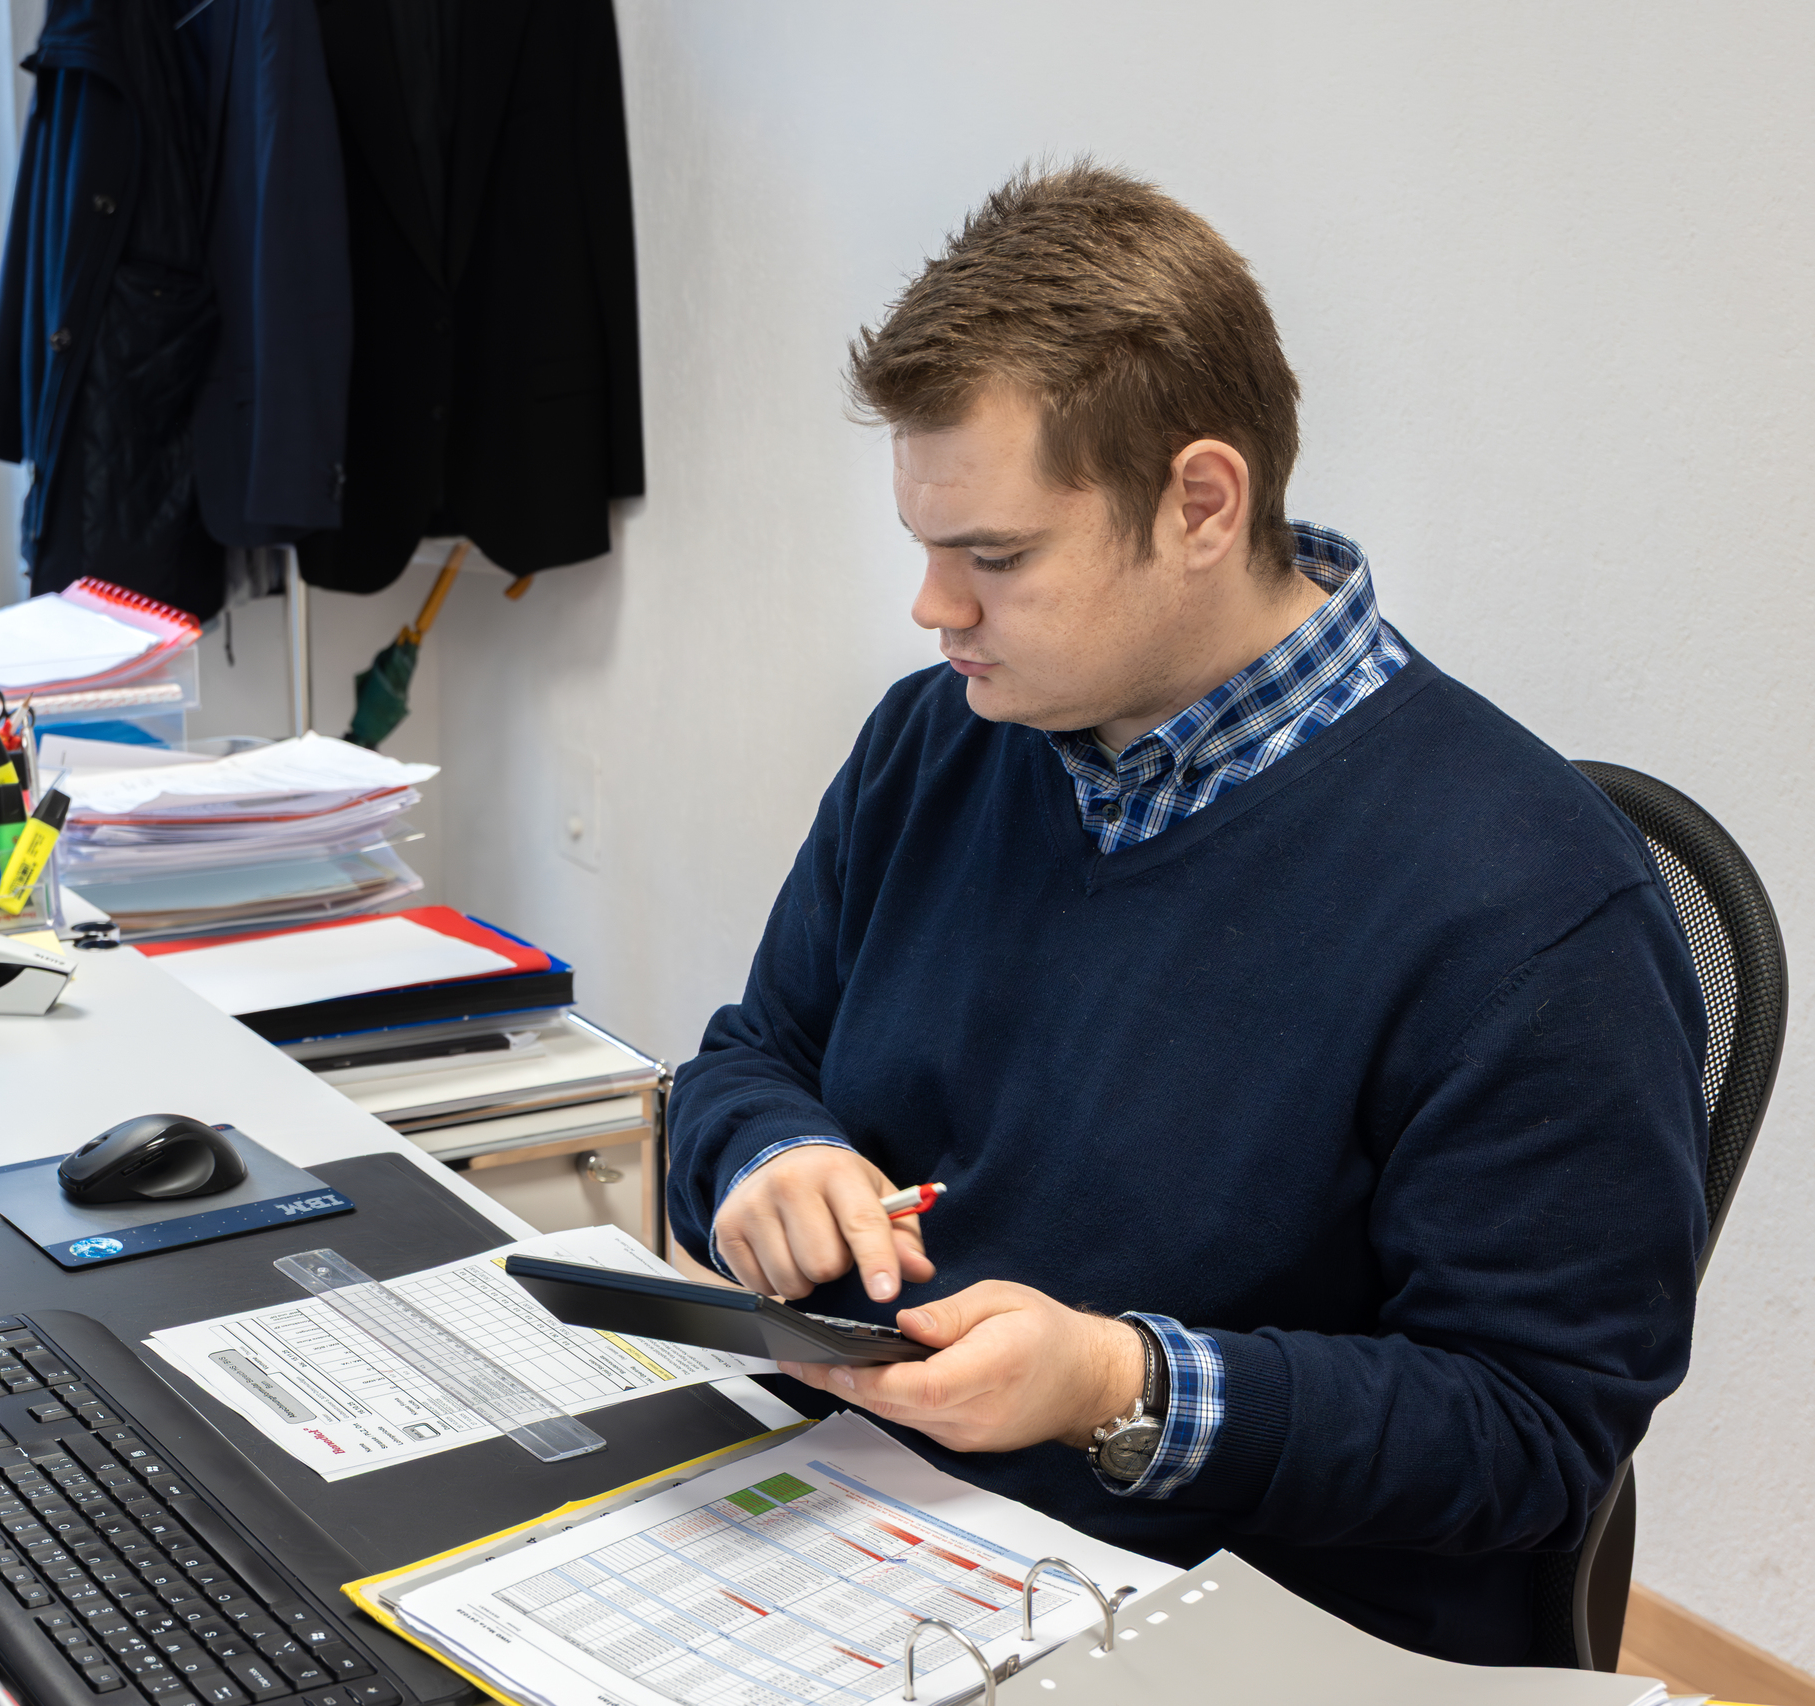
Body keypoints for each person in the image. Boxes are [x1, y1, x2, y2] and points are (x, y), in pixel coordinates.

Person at [665, 161, 1709, 1664]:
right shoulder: (937, 741)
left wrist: (1118, 1389)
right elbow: (751, 1056)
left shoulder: (1533, 902)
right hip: (869, 1530)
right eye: (926, 547)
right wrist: (771, 1157)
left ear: (1201, 504)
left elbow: (1530, 1432)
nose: (935, 608)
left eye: (995, 557)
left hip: (1235, 1619)